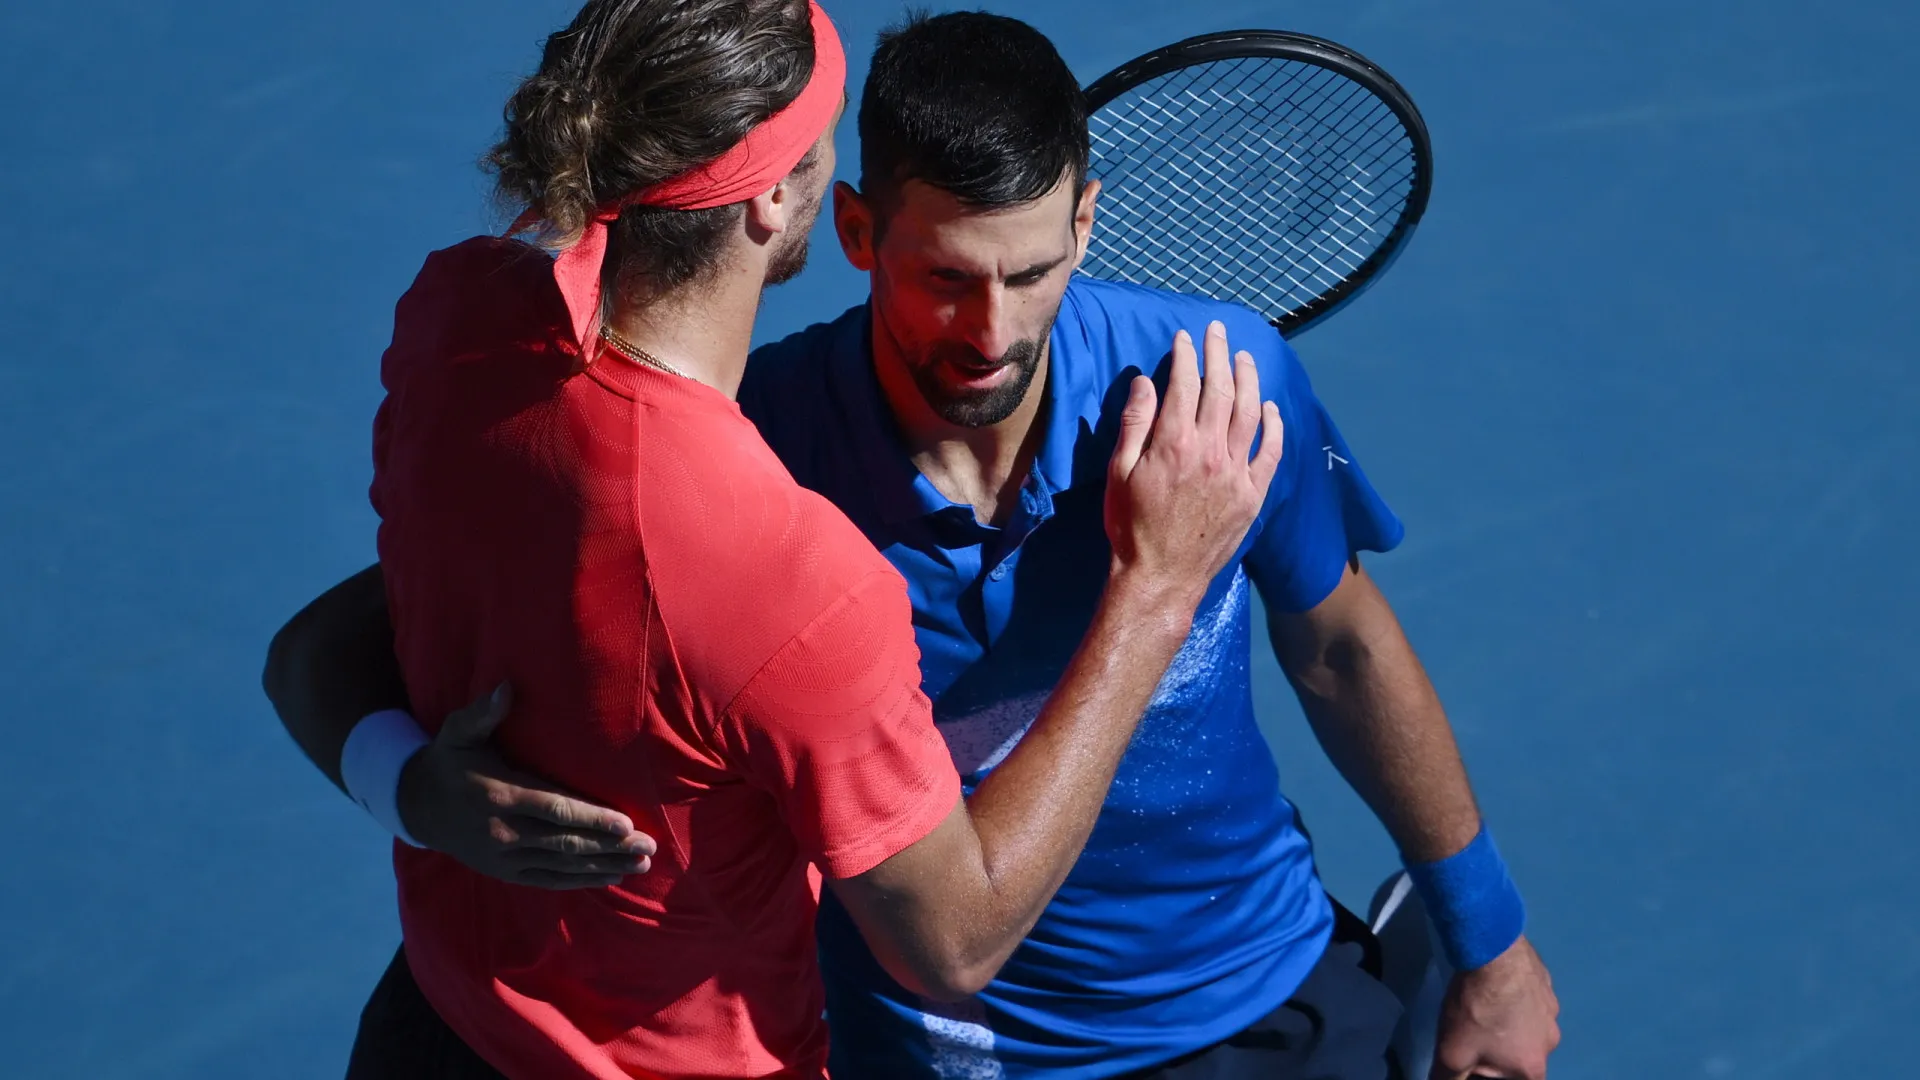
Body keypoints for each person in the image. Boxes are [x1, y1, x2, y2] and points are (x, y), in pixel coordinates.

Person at [268, 11, 1562, 1080]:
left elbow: (1339, 647)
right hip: (909, 1050)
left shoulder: (1216, 389)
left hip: (1240, 1011)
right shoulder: (749, 474)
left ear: (1089, 227)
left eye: (1033, 272)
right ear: (851, 230)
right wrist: (410, 785)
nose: (988, 331)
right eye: (944, 277)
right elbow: (347, 633)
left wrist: (1492, 945)